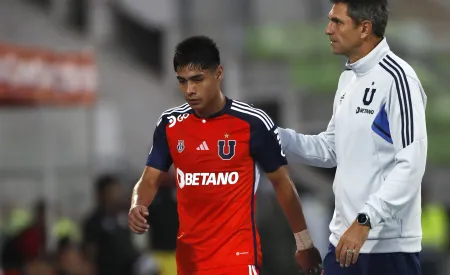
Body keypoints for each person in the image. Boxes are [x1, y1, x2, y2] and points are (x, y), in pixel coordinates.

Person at [128, 35, 323, 275]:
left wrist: (303, 242)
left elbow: (282, 183)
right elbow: (149, 179)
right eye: (183, 81)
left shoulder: (253, 123)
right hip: (190, 263)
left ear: (218, 74)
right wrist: (138, 204)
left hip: (238, 261)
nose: (190, 90)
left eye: (198, 79)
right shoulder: (170, 124)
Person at [278, 0, 428, 274]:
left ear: (364, 29)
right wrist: (277, 137)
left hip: (387, 247)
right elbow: (331, 149)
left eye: (337, 22)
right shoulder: (348, 79)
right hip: (343, 242)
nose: (328, 30)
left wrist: (365, 220)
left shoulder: (399, 80)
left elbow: (412, 164)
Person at [82, 174, 139, 275]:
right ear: (103, 194)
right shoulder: (93, 221)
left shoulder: (126, 214)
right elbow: (90, 250)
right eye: (114, 191)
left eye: (119, 190)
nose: (118, 195)